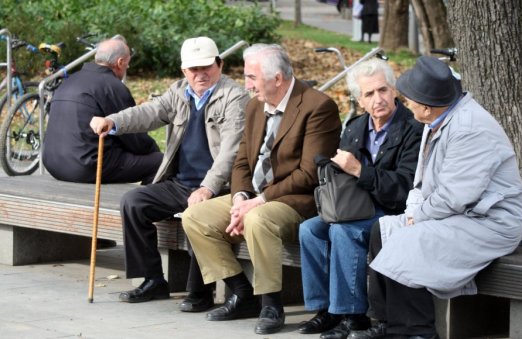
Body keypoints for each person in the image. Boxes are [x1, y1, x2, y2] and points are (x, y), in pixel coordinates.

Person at [349, 56, 522, 339]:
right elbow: (420, 182)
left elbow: (455, 197)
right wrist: (411, 213)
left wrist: (416, 219)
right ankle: (387, 323)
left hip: (490, 221)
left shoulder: (469, 128)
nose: (405, 103)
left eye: (409, 100)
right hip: (456, 214)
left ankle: (417, 332)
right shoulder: (437, 119)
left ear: (426, 107)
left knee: (410, 241)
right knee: (380, 231)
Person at [181, 43, 342, 335]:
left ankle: (271, 304)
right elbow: (242, 159)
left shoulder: (318, 106)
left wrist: (260, 201)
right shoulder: (255, 104)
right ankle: (241, 292)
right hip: (253, 196)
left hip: (295, 201)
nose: (247, 84)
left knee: (258, 219)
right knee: (195, 217)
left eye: (252, 77)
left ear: (277, 78)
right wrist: (241, 197)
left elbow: (309, 174)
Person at [89, 37, 249, 311]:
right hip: (180, 183)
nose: (200, 74)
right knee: (134, 202)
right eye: (193, 69)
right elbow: (149, 113)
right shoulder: (179, 92)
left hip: (219, 187)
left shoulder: (235, 97)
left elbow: (230, 152)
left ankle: (200, 292)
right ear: (183, 71)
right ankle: (153, 280)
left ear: (219, 64)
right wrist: (113, 121)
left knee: (196, 214)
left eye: (206, 66)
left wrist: (207, 189)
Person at [297, 58, 423, 339]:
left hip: (392, 210)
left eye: (383, 90)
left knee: (344, 231)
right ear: (359, 99)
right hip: (354, 205)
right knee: (310, 230)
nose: (378, 99)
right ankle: (326, 311)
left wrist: (358, 170)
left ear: (394, 91)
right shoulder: (354, 127)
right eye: (369, 94)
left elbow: (404, 186)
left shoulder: (412, 129)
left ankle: (353, 317)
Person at [43, 38, 162, 184]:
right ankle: (142, 203)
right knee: (161, 162)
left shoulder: (69, 81)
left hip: (53, 163)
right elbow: (134, 138)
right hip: (87, 167)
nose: (127, 67)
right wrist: (155, 152)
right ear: (120, 63)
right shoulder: (112, 86)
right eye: (127, 63)